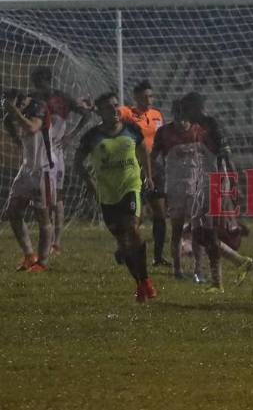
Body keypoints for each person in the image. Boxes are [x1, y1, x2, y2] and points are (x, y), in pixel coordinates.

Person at [152, 100, 252, 285]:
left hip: (198, 189)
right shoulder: (164, 133)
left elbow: (214, 157)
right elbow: (153, 156)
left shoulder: (200, 131)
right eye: (178, 116)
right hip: (175, 189)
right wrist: (152, 176)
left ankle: (201, 271)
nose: (182, 121)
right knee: (178, 231)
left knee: (201, 233)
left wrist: (222, 182)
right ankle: (179, 270)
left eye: (185, 116)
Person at [74, 92, 157, 303]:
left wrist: (147, 175)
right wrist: (90, 183)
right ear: (100, 112)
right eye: (109, 107)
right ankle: (138, 283)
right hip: (107, 194)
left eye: (115, 105)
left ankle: (146, 280)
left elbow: (144, 151)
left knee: (132, 229)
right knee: (124, 242)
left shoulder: (131, 129)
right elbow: (77, 163)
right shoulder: (92, 136)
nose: (114, 110)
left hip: (131, 186)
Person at [178, 91, 237, 293]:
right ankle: (233, 268)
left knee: (206, 233)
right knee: (201, 233)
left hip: (215, 182)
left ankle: (218, 282)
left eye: (187, 109)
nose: (184, 113)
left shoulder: (212, 125)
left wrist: (231, 182)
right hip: (204, 183)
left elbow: (225, 155)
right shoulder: (194, 128)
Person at [30, 67, 91, 255]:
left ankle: (56, 242)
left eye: (41, 82)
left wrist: (71, 135)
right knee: (44, 199)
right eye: (37, 83)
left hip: (54, 153)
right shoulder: (33, 100)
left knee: (56, 198)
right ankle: (49, 241)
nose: (39, 86)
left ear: (46, 81)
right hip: (37, 153)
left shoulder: (61, 98)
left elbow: (86, 114)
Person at [2, 90, 55, 272]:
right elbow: (11, 124)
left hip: (45, 169)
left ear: (22, 101)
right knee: (13, 211)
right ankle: (29, 255)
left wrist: (13, 112)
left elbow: (32, 127)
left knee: (43, 216)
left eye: (15, 105)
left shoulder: (38, 106)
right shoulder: (16, 111)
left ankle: (43, 262)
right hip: (26, 169)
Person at [118, 80, 168, 268]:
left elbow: (160, 140)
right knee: (134, 215)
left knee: (160, 214)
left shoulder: (156, 115)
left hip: (155, 168)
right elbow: (116, 113)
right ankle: (126, 249)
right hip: (135, 168)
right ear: (136, 97)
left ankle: (158, 257)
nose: (149, 99)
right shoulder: (128, 113)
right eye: (145, 96)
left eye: (151, 96)